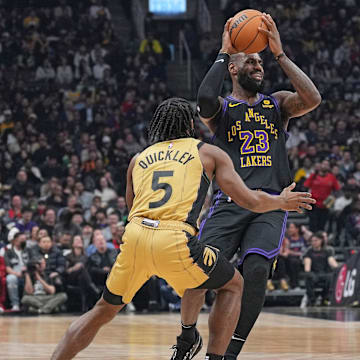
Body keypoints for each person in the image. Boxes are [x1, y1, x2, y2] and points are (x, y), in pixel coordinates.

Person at [50, 98, 315, 360]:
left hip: (135, 237)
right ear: (190, 123)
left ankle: (185, 336)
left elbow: (132, 208)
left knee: (102, 310)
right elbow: (248, 199)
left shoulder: (138, 159)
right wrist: (281, 201)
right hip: (175, 239)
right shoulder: (207, 152)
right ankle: (213, 355)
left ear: (158, 126)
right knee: (234, 284)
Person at [179, 14, 321, 360]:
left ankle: (229, 352)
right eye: (251, 61)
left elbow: (313, 98)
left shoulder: (277, 104)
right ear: (233, 69)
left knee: (256, 270)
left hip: (271, 204)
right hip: (229, 204)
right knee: (199, 270)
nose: (258, 65)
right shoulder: (223, 110)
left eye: (260, 61)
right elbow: (204, 99)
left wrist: (280, 55)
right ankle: (187, 335)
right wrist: (225, 52)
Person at [303, 232, 339, 306]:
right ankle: (312, 300)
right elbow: (307, 265)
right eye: (312, 241)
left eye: (316, 240)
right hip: (314, 274)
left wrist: (339, 268)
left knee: (331, 277)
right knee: (308, 277)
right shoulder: (309, 252)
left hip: (325, 274)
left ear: (321, 241)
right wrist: (308, 272)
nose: (314, 242)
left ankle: (325, 298)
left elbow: (332, 261)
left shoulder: (327, 251)